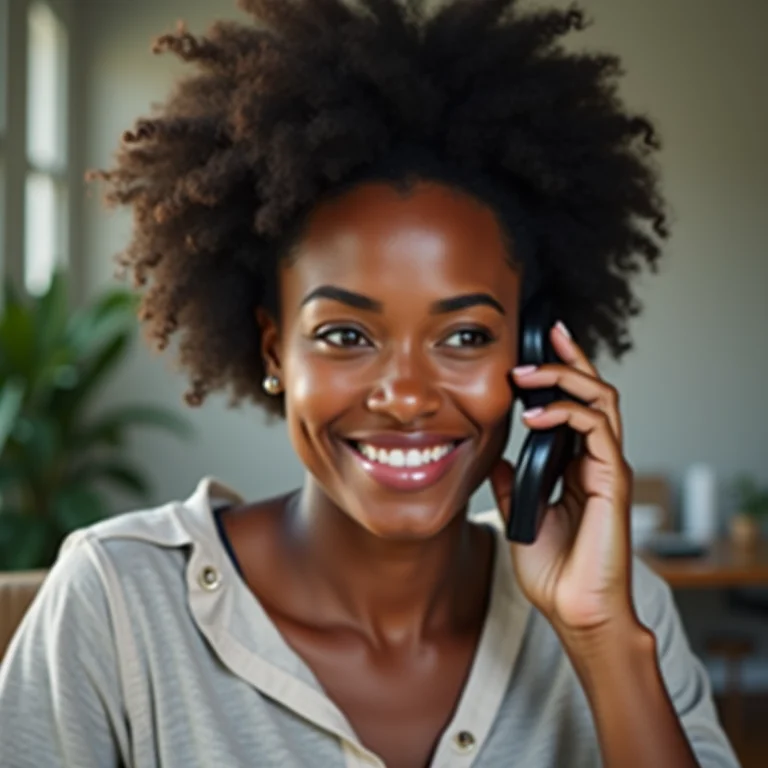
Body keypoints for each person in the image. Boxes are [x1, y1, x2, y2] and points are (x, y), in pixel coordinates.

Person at [0, 1, 740, 766]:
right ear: (275, 350)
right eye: (345, 335)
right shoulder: (118, 604)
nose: (408, 396)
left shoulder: (621, 606)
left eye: (465, 336)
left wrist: (604, 643)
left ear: (532, 357)